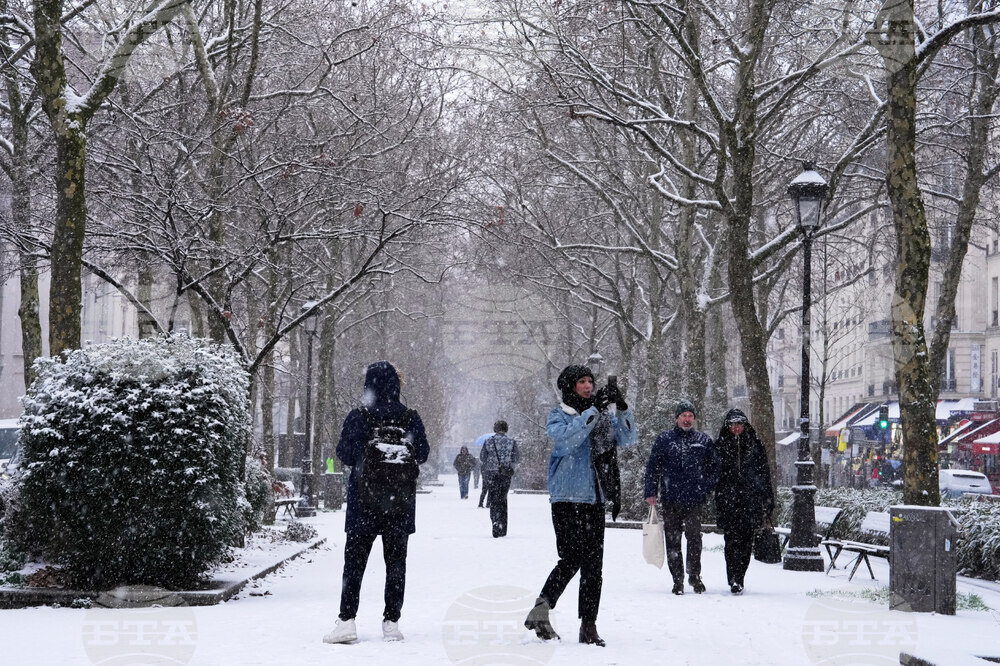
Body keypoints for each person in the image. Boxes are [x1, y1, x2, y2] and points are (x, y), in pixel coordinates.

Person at [524, 364, 637, 647]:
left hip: (595, 499)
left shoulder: (601, 416)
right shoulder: (558, 415)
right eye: (582, 382)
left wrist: (621, 407)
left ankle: (589, 626)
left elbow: (627, 438)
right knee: (571, 559)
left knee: (593, 567)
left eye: (590, 381)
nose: (588, 386)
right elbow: (567, 441)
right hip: (566, 499)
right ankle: (541, 611)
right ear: (569, 386)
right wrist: (593, 412)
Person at [324, 361, 430, 645]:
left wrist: (365, 458)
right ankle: (391, 623)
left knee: (354, 563)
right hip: (400, 504)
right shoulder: (410, 417)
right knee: (396, 564)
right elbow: (422, 454)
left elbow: (344, 453)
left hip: (363, 502)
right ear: (396, 385)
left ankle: (347, 621)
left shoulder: (360, 415)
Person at [644, 399, 719, 596]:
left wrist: (706, 487)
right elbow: (653, 467)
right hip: (671, 498)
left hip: (695, 498)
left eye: (690, 416)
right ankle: (677, 579)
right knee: (673, 539)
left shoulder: (703, 441)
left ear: (694, 418)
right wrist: (651, 492)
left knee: (694, 538)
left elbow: (715, 468)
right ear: (677, 418)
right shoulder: (665, 440)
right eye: (683, 416)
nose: (687, 419)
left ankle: (694, 575)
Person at [713, 408, 774, 595]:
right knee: (731, 541)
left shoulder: (755, 445)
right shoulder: (720, 445)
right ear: (728, 426)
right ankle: (732, 576)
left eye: (739, 424)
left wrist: (767, 499)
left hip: (750, 501)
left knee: (746, 542)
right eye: (733, 424)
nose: (736, 427)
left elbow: (764, 473)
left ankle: (739, 577)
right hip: (728, 500)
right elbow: (715, 473)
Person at [480, 420, 520, 537]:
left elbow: (483, 457)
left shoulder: (489, 441)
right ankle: (503, 524)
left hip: (492, 474)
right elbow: (516, 458)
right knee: (503, 499)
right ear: (506, 428)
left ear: (495, 429)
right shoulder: (512, 442)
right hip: (505, 474)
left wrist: (492, 462)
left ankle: (495, 521)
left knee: (493, 498)